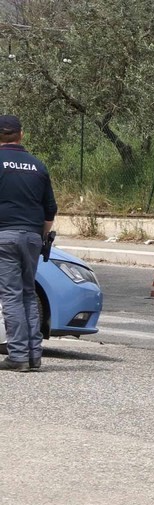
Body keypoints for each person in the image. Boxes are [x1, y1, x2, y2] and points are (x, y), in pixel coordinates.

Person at [0, 114, 56, 373]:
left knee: (11, 296)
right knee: (28, 294)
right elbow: (50, 210)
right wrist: (42, 237)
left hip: (4, 236)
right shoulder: (38, 166)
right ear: (21, 135)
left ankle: (18, 356)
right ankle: (34, 356)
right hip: (33, 237)